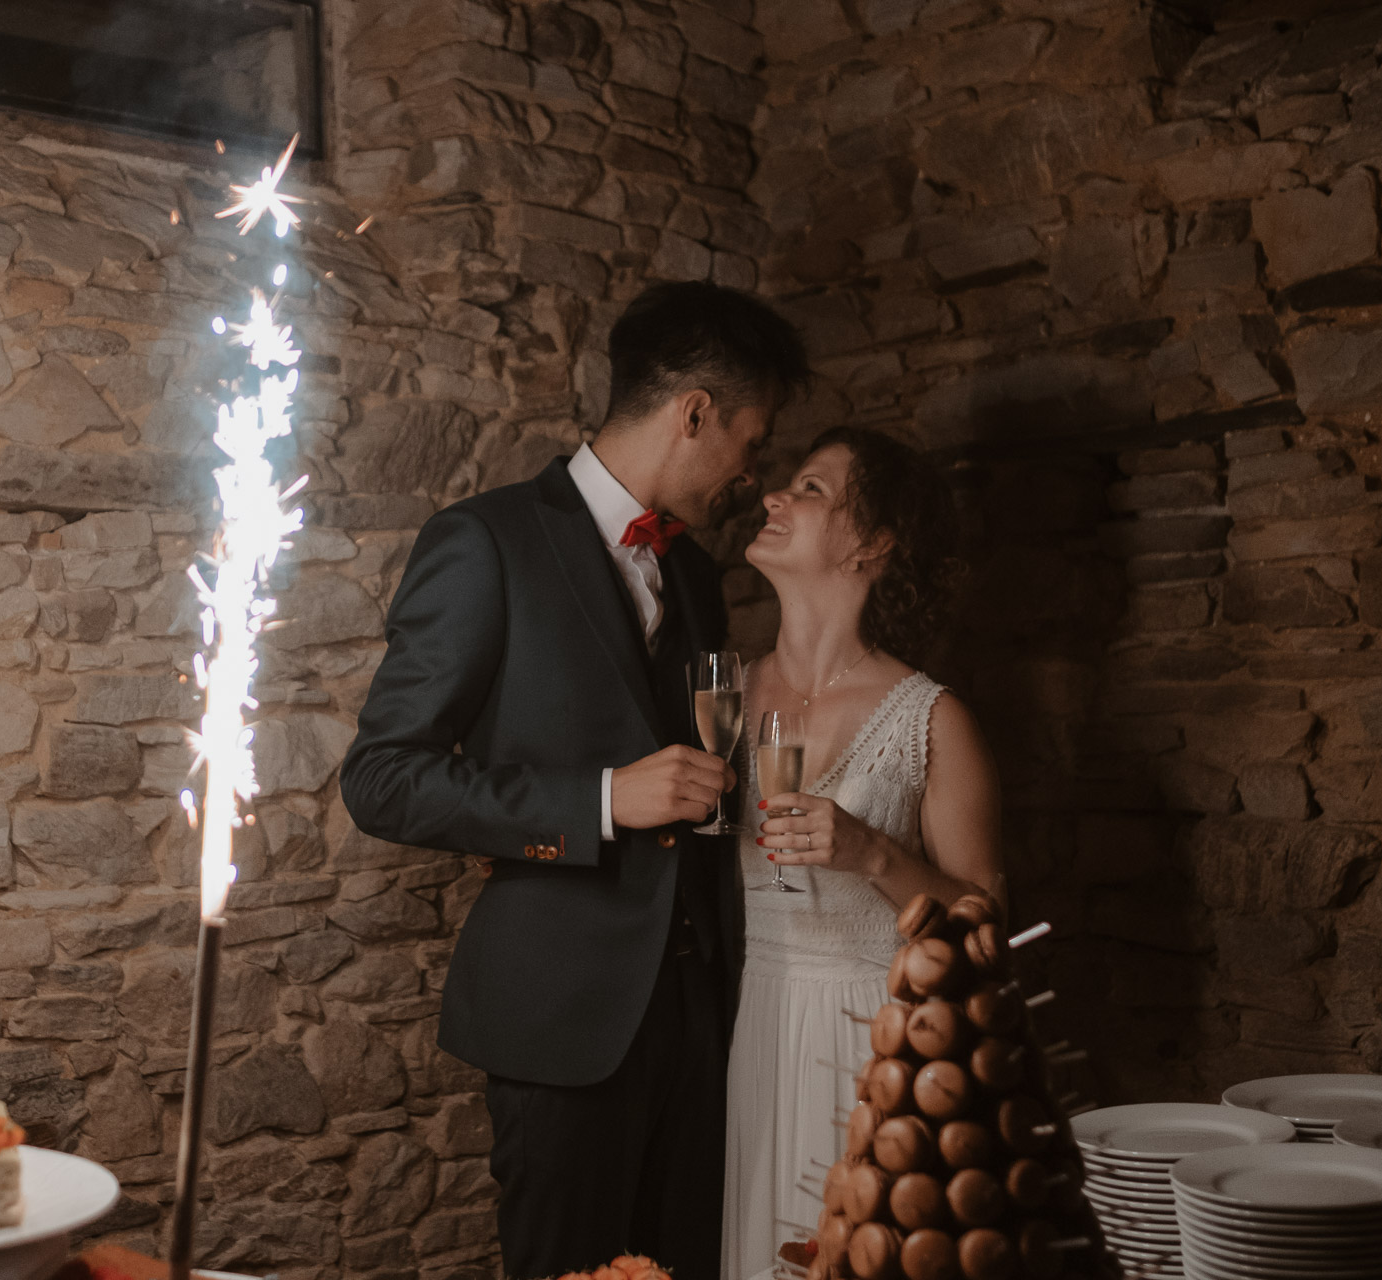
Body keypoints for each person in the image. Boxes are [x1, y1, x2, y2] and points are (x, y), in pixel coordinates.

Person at [341, 281, 810, 1280]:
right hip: (563, 1018)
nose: (750, 473)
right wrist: (599, 799)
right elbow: (381, 778)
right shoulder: (483, 541)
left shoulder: (689, 574)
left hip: (703, 1009)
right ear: (693, 412)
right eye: (750, 439)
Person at [720, 427, 1005, 1280]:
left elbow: (987, 928)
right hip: (744, 1031)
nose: (773, 497)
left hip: (872, 1044)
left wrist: (873, 852)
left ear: (874, 543)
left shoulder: (932, 719)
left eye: (808, 489)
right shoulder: (720, 697)